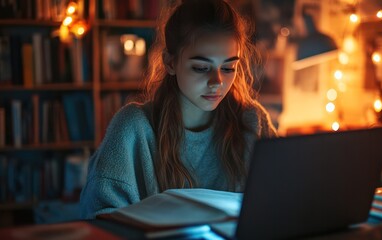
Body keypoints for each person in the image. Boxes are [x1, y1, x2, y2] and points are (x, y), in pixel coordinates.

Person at [80, 0, 277, 219]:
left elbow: (282, 201)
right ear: (170, 63)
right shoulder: (133, 128)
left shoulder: (252, 121)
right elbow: (100, 219)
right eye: (201, 68)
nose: (217, 81)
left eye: (229, 67)